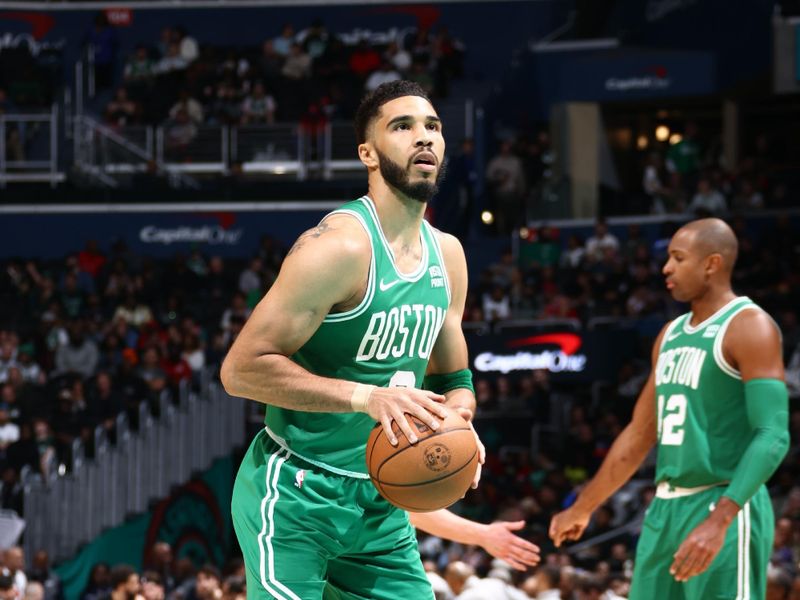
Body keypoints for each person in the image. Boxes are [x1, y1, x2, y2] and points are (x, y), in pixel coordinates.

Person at [222, 80, 498, 598]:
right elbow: (240, 370)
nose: (424, 138)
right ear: (367, 154)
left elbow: (455, 379)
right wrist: (366, 397)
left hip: (381, 504)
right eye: (403, 126)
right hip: (296, 493)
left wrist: (456, 418)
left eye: (433, 127)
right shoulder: (339, 248)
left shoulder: (450, 255)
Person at [549, 218, 790, 600]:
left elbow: (774, 432)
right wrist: (584, 505)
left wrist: (721, 518)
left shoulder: (750, 326)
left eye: (678, 258)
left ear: (711, 264)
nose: (666, 268)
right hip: (665, 509)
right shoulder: (671, 334)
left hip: (722, 503)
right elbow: (640, 433)